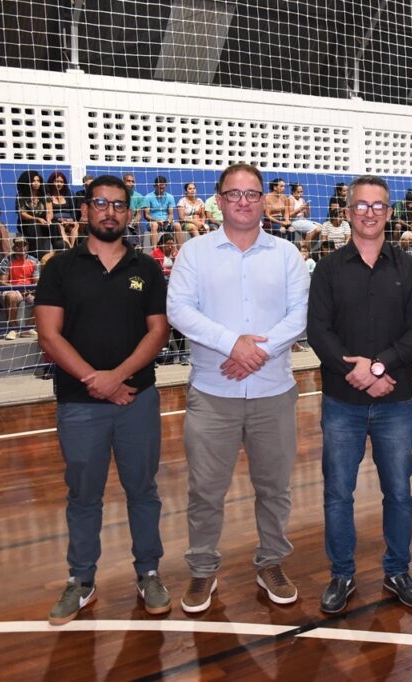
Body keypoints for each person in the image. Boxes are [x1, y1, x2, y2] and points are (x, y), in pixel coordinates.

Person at [167, 163, 309, 613]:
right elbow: (179, 310)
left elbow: (300, 315)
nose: (244, 201)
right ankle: (203, 569)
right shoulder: (195, 252)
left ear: (265, 199)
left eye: (252, 194)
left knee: (275, 489)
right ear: (220, 200)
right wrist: (234, 344)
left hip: (273, 391)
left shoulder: (286, 254)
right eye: (234, 194)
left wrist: (258, 354)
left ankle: (271, 563)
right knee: (205, 491)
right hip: (213, 391)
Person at [35, 174, 171, 625]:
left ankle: (149, 571)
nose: (109, 211)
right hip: (80, 401)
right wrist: (96, 380)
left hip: (137, 399)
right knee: (83, 495)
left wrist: (118, 376)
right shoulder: (59, 267)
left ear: (129, 213)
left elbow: (159, 332)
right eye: (100, 203)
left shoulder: (146, 268)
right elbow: (49, 335)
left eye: (118, 204)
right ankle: (81, 581)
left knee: (143, 491)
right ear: (86, 210)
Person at [307, 174, 412, 613]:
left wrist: (377, 367)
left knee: (398, 491)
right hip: (342, 403)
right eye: (361, 205)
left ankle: (398, 570)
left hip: (394, 402)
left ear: (389, 211)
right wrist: (355, 371)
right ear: (347, 212)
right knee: (338, 493)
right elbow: (318, 332)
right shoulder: (328, 268)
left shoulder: (410, 267)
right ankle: (342, 575)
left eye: (378, 205)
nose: (369, 213)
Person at [0, 237, 40, 340]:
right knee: (11, 296)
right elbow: (2, 282)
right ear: (14, 247)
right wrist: (18, 288)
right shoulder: (7, 260)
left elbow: (36, 282)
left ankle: (28, 328)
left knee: (42, 298)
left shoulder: (34, 261)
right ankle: (13, 329)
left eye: (23, 245)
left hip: (29, 290)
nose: (21, 247)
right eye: (18, 245)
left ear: (27, 247)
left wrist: (30, 290)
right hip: (13, 289)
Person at [16, 170, 56, 258]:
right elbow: (22, 214)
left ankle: (59, 252)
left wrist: (48, 220)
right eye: (33, 181)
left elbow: (49, 211)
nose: (36, 183)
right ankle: (39, 255)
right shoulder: (21, 196)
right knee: (34, 226)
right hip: (27, 222)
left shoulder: (45, 195)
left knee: (55, 225)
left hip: (43, 221)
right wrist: (37, 219)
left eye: (38, 181)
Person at [143, 175, 180, 248]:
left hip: (166, 222)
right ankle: (155, 250)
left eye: (163, 188)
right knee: (154, 225)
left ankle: (180, 249)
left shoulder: (170, 197)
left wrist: (168, 221)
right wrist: (157, 221)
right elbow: (146, 216)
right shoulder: (148, 197)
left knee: (177, 225)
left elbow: (171, 214)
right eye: (160, 188)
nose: (162, 190)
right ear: (155, 186)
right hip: (154, 222)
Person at [47, 171, 80, 249]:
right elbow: (49, 212)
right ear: (52, 182)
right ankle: (68, 248)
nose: (59, 184)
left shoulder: (69, 194)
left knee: (76, 225)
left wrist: (72, 219)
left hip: (69, 220)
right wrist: (59, 219)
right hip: (57, 221)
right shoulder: (48, 195)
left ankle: (72, 248)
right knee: (60, 227)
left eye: (61, 182)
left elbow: (73, 210)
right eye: (56, 181)